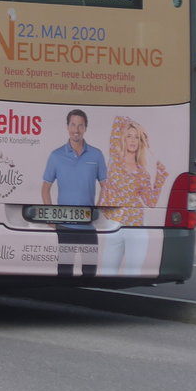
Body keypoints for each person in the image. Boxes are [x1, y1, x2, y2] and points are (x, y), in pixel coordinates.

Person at [98, 116, 167, 275]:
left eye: (137, 137)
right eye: (129, 136)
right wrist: (137, 126)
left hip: (136, 227)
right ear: (122, 138)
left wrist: (160, 178)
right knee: (107, 271)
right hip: (113, 223)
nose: (133, 140)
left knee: (133, 273)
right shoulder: (115, 160)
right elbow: (117, 120)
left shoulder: (142, 172)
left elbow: (150, 202)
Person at [42, 109, 107, 277]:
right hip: (64, 225)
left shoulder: (96, 155)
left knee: (91, 271)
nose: (76, 129)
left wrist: (98, 210)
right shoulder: (56, 156)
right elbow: (45, 188)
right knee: (64, 270)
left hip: (88, 224)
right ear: (67, 127)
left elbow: (106, 186)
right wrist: (50, 216)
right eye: (73, 125)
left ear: (85, 128)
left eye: (80, 125)